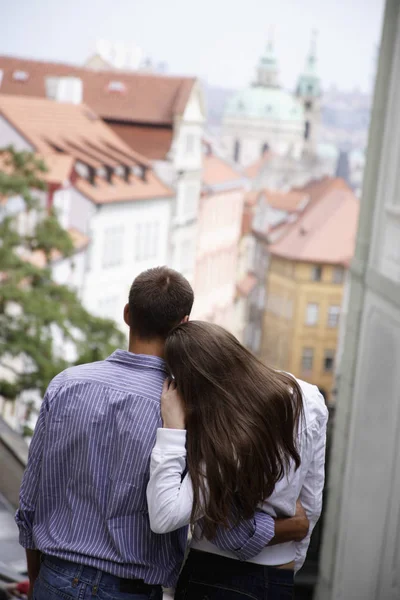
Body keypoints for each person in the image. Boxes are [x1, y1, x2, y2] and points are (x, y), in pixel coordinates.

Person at [15, 267, 308, 600]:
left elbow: (29, 503)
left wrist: (40, 581)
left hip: (55, 579)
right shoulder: (192, 411)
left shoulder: (65, 386)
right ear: (184, 324)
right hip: (131, 591)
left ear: (127, 314)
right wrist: (288, 527)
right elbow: (222, 528)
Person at [147, 321, 329, 600]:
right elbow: (311, 503)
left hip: (212, 575)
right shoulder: (309, 399)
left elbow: (165, 515)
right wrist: (289, 566)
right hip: (279, 576)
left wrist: (173, 429)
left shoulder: (218, 433)